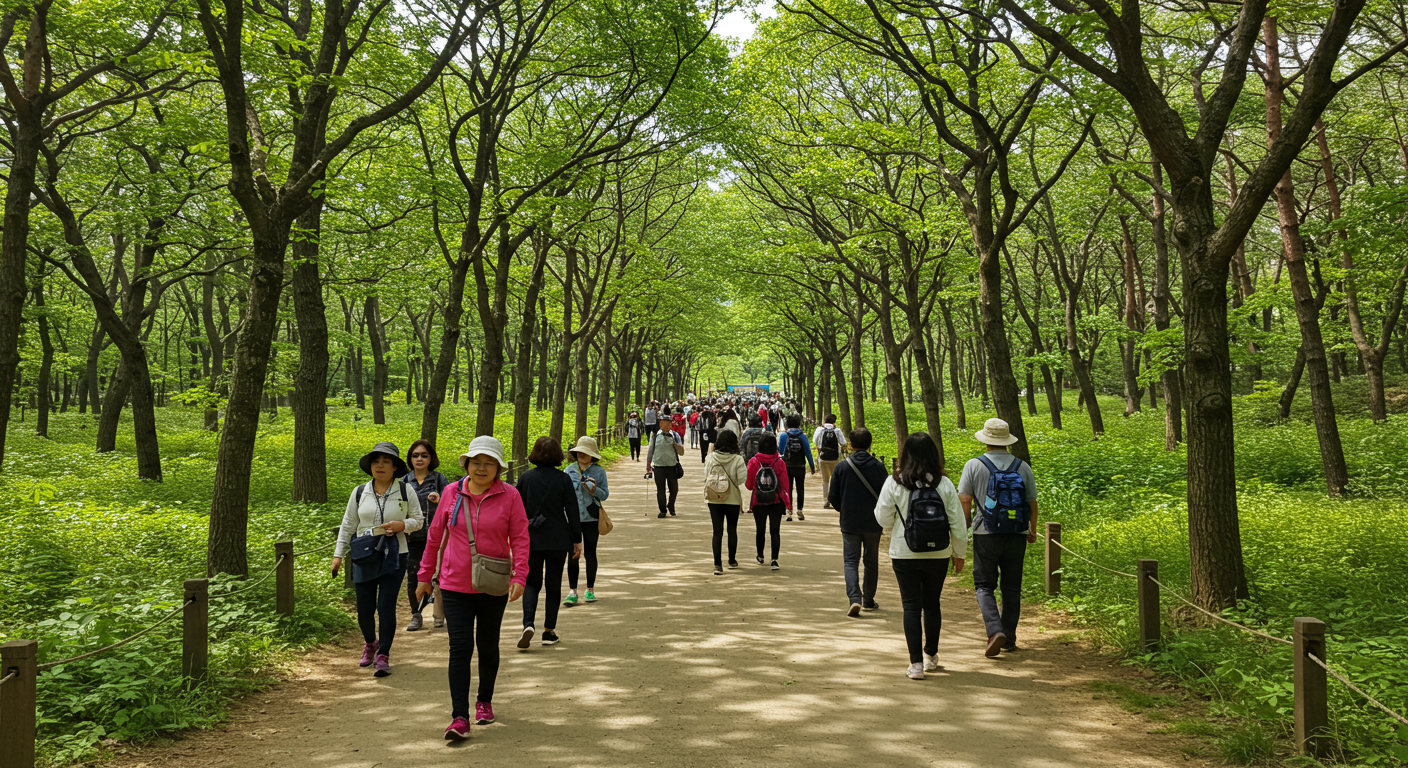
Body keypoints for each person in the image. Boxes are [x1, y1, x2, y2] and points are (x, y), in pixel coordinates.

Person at [416, 436, 529, 739]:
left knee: (488, 646)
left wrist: (520, 576)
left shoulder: (510, 496)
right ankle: (459, 716)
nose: (481, 468)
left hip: (492, 583)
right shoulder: (452, 493)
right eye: (476, 462)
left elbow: (520, 538)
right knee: (460, 648)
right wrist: (424, 575)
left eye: (488, 463)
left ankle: (484, 701)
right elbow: (435, 536)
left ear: (498, 467)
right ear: (466, 464)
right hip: (454, 584)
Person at [873, 432, 967, 680]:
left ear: (905, 454)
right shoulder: (943, 483)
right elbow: (958, 522)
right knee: (932, 603)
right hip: (939, 553)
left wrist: (899, 521)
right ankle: (931, 656)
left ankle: (915, 665)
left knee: (911, 606)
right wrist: (959, 553)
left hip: (905, 552)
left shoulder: (895, 481)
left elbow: (882, 519)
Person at [332, 442, 425, 678]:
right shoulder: (360, 492)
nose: (380, 466)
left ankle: (383, 654)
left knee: (385, 607)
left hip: (395, 555)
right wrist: (338, 555)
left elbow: (419, 520)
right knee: (364, 608)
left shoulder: (405, 491)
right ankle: (370, 643)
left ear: (395, 467)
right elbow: (348, 525)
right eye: (376, 461)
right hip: (364, 556)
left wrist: (402, 525)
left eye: (386, 462)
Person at [957, 418, 1039, 657]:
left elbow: (964, 500)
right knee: (1012, 587)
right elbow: (1031, 502)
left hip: (986, 533)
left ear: (985, 441)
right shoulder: (1022, 466)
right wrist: (1031, 529)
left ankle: (994, 631)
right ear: (1006, 442)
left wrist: (964, 531)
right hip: (1016, 533)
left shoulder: (973, 465)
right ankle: (1010, 638)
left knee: (984, 585)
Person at [515, 437, 582, 649]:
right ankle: (549, 631)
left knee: (532, 582)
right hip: (557, 538)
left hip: (531, 537)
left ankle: (528, 624)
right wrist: (576, 540)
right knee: (553, 585)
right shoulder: (563, 480)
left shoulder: (525, 478)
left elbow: (516, 510)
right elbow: (573, 511)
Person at [827, 428, 887, 616]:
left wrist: (843, 509)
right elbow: (886, 495)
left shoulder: (842, 467)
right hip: (873, 522)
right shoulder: (878, 467)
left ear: (850, 445)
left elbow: (833, 497)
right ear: (870, 444)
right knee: (871, 561)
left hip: (850, 522)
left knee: (851, 561)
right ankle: (868, 599)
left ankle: (855, 599)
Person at [404, 440, 451, 631]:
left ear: (431, 458)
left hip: (438, 537)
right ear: (410, 459)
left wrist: (439, 500)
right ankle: (416, 614)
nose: (419, 459)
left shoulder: (440, 480)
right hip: (412, 538)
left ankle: (439, 613)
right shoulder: (404, 482)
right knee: (413, 576)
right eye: (415, 455)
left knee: (441, 575)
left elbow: (452, 505)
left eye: (424, 455)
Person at [564, 436, 610, 605]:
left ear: (592, 455)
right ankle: (572, 591)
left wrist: (593, 489)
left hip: (591, 518)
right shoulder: (569, 470)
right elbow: (561, 494)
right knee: (573, 554)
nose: (582, 455)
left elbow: (605, 494)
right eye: (579, 452)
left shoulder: (599, 472)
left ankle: (590, 589)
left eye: (586, 452)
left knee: (590, 553)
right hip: (572, 518)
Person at [703, 429, 749, 575]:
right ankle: (732, 560)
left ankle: (717, 564)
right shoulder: (738, 459)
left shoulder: (710, 458)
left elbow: (706, 476)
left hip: (714, 498)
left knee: (717, 532)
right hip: (733, 499)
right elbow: (742, 479)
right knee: (732, 529)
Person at [745, 432, 790, 570]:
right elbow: (784, 484)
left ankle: (760, 556)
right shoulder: (779, 462)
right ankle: (774, 560)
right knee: (775, 530)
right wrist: (788, 503)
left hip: (759, 501)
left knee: (760, 529)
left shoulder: (754, 461)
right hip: (776, 501)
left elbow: (748, 485)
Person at [777, 414, 815, 521]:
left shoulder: (784, 436)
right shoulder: (802, 436)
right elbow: (808, 452)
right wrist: (812, 466)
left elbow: (780, 452)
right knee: (800, 488)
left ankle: (789, 511)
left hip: (787, 466)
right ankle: (800, 510)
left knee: (788, 488)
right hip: (800, 466)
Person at [645, 415, 684, 517]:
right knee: (660, 489)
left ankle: (671, 505)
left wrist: (676, 445)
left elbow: (681, 452)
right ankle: (662, 510)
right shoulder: (655, 435)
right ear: (660, 424)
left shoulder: (675, 435)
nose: (665, 424)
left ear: (671, 424)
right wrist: (648, 466)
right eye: (662, 422)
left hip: (672, 466)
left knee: (674, 489)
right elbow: (651, 450)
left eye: (667, 422)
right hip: (658, 466)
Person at [813, 415, 847, 509]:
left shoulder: (820, 429)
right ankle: (836, 499)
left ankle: (826, 500)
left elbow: (815, 441)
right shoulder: (837, 430)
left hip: (823, 458)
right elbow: (843, 443)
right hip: (835, 458)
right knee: (835, 479)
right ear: (834, 422)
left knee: (825, 479)